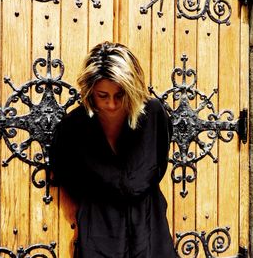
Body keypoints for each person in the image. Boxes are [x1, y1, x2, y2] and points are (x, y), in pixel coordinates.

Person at [49, 41, 176, 258]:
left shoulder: (154, 115)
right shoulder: (74, 126)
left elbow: (158, 165)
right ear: (90, 92)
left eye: (120, 95)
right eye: (103, 95)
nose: (111, 104)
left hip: (149, 223)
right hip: (99, 228)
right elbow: (65, 172)